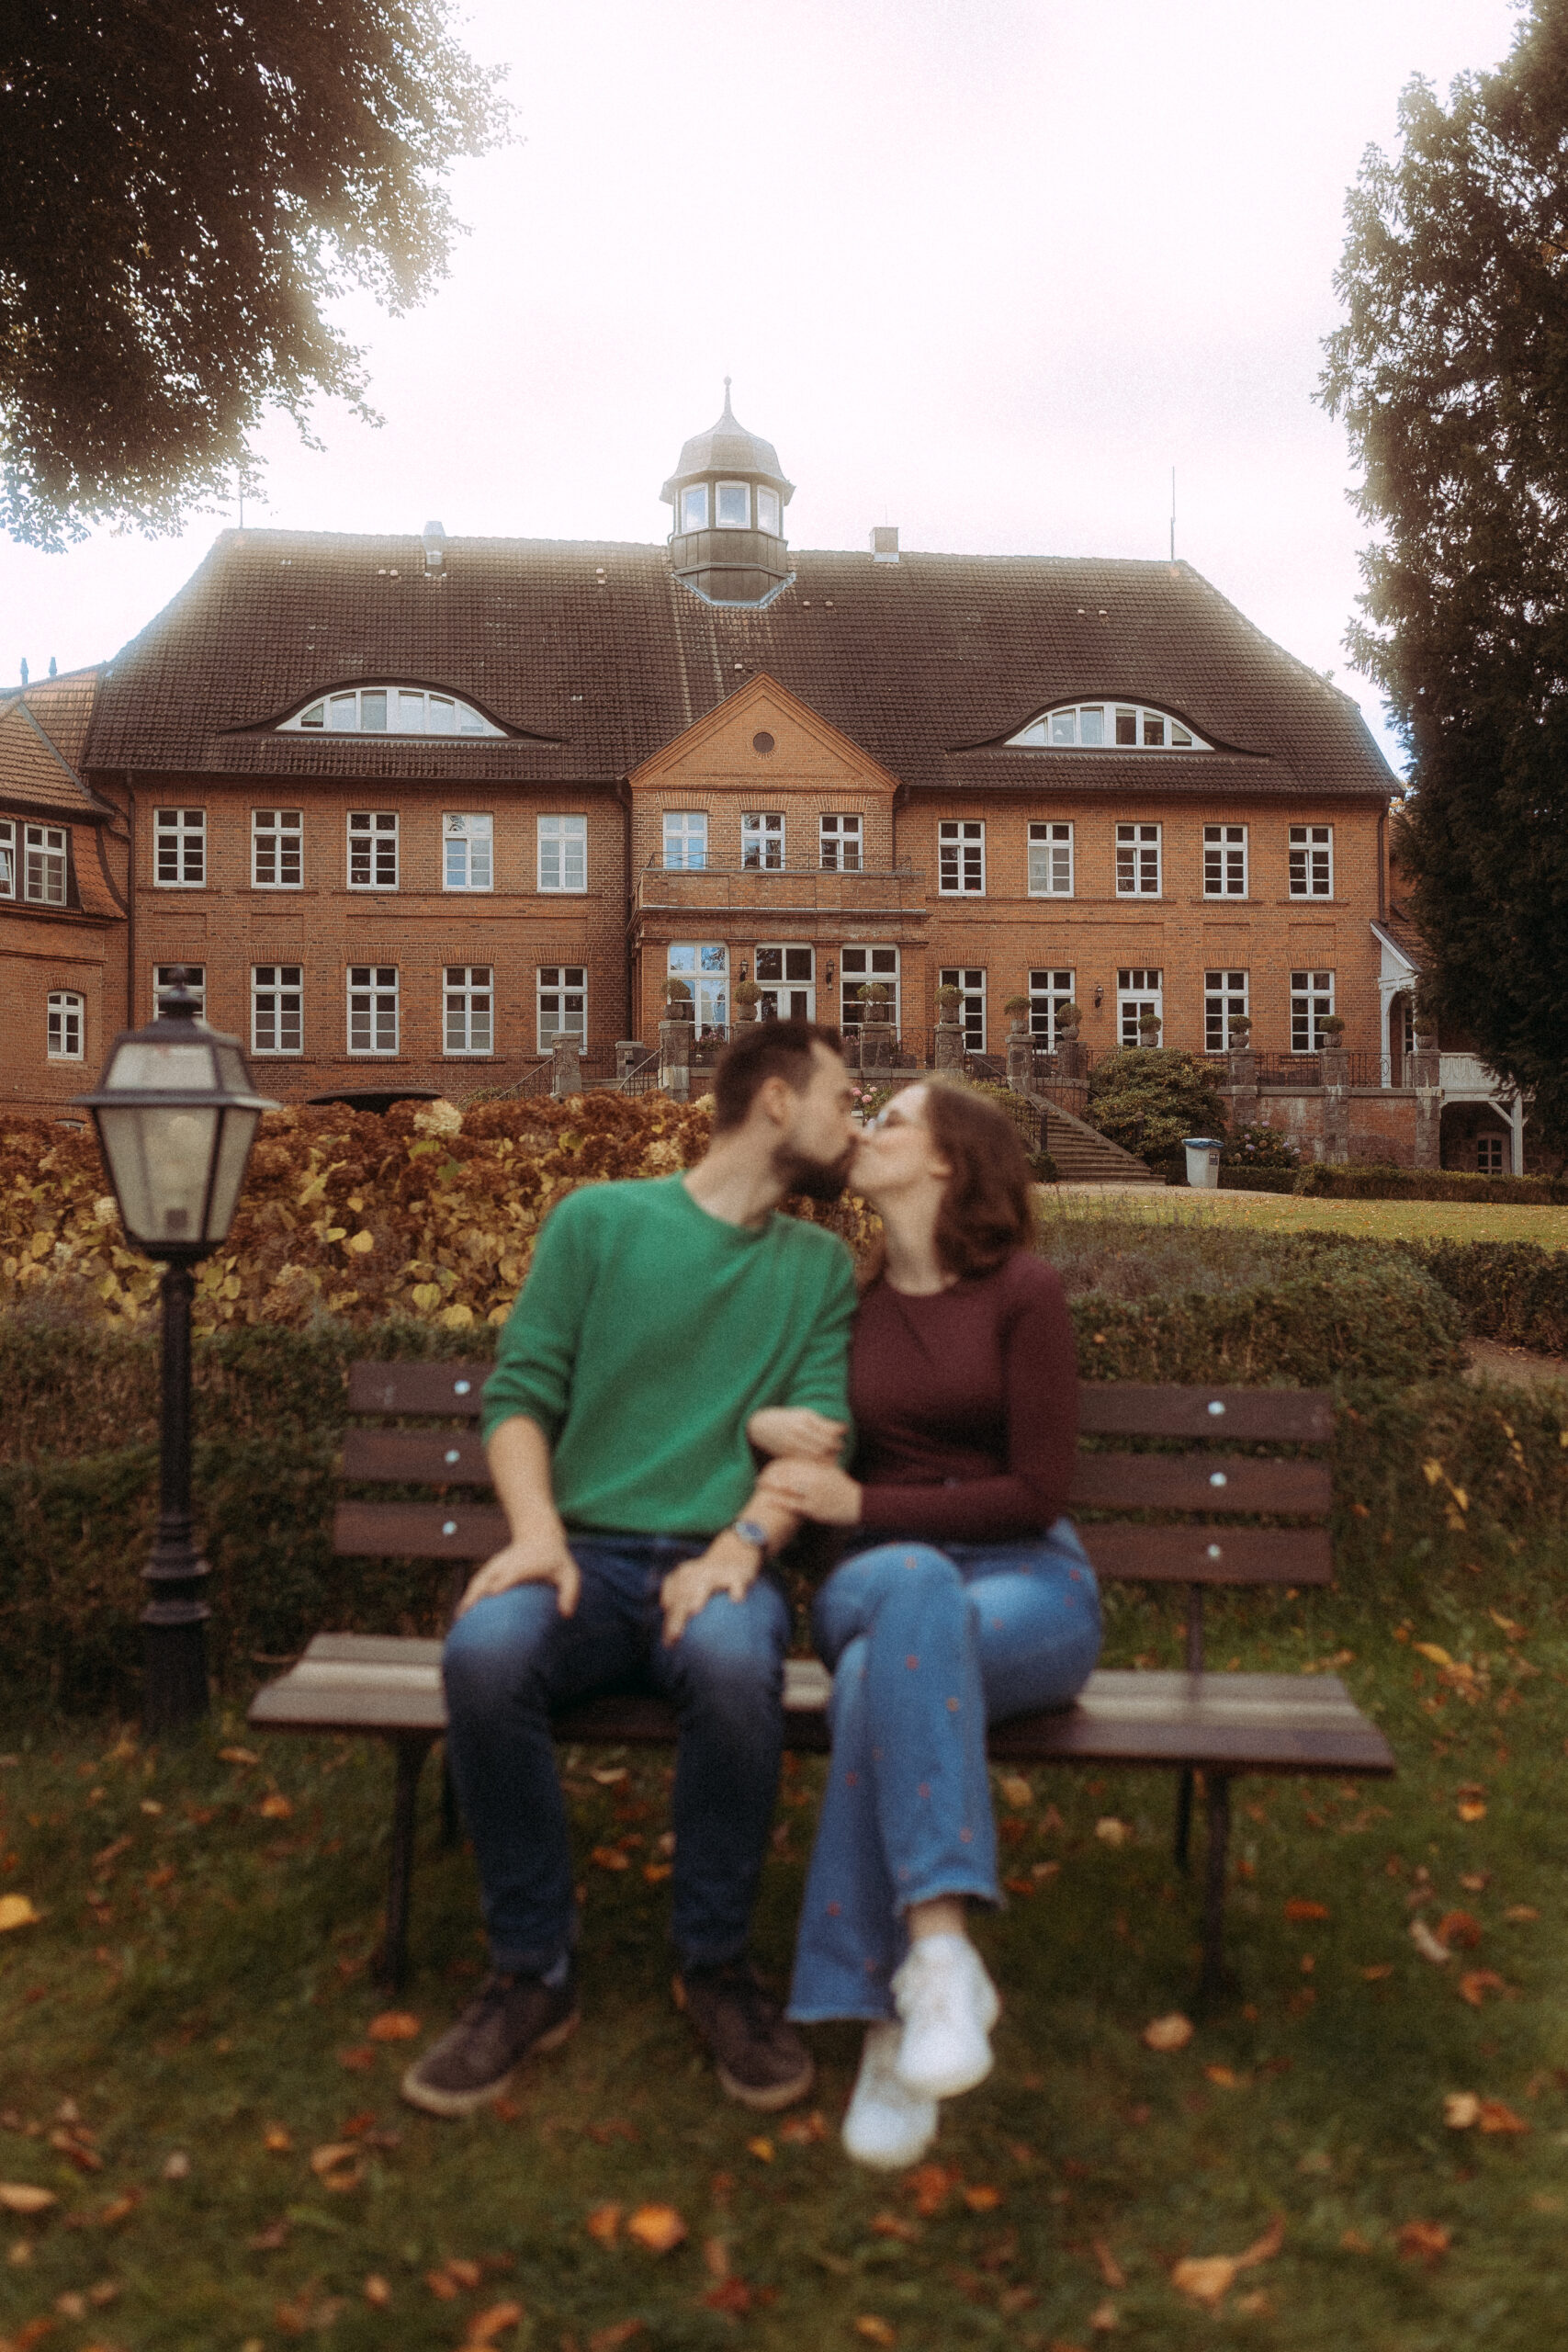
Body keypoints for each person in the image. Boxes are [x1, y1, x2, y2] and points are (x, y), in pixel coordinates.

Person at [400, 1020, 858, 2120]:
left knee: (736, 1670)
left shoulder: (820, 1267)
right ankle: (532, 1969)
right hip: (582, 1559)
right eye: (845, 1098)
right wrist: (536, 1534)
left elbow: (815, 1445)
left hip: (717, 1560)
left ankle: (714, 1964)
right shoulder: (599, 1222)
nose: (858, 1121)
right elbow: (519, 1398)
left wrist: (738, 1547)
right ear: (778, 1101)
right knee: (485, 1655)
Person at [754, 1080, 1099, 2170]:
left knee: (877, 1680)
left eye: (892, 1119)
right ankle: (940, 1957)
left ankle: (890, 2025)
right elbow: (783, 1437)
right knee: (910, 1591)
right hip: (874, 1579)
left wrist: (864, 1501)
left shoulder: (1023, 1292)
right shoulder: (843, 1300)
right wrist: (768, 1426)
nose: (866, 1129)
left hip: (1028, 1589)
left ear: (950, 1160)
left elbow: (1038, 1491)